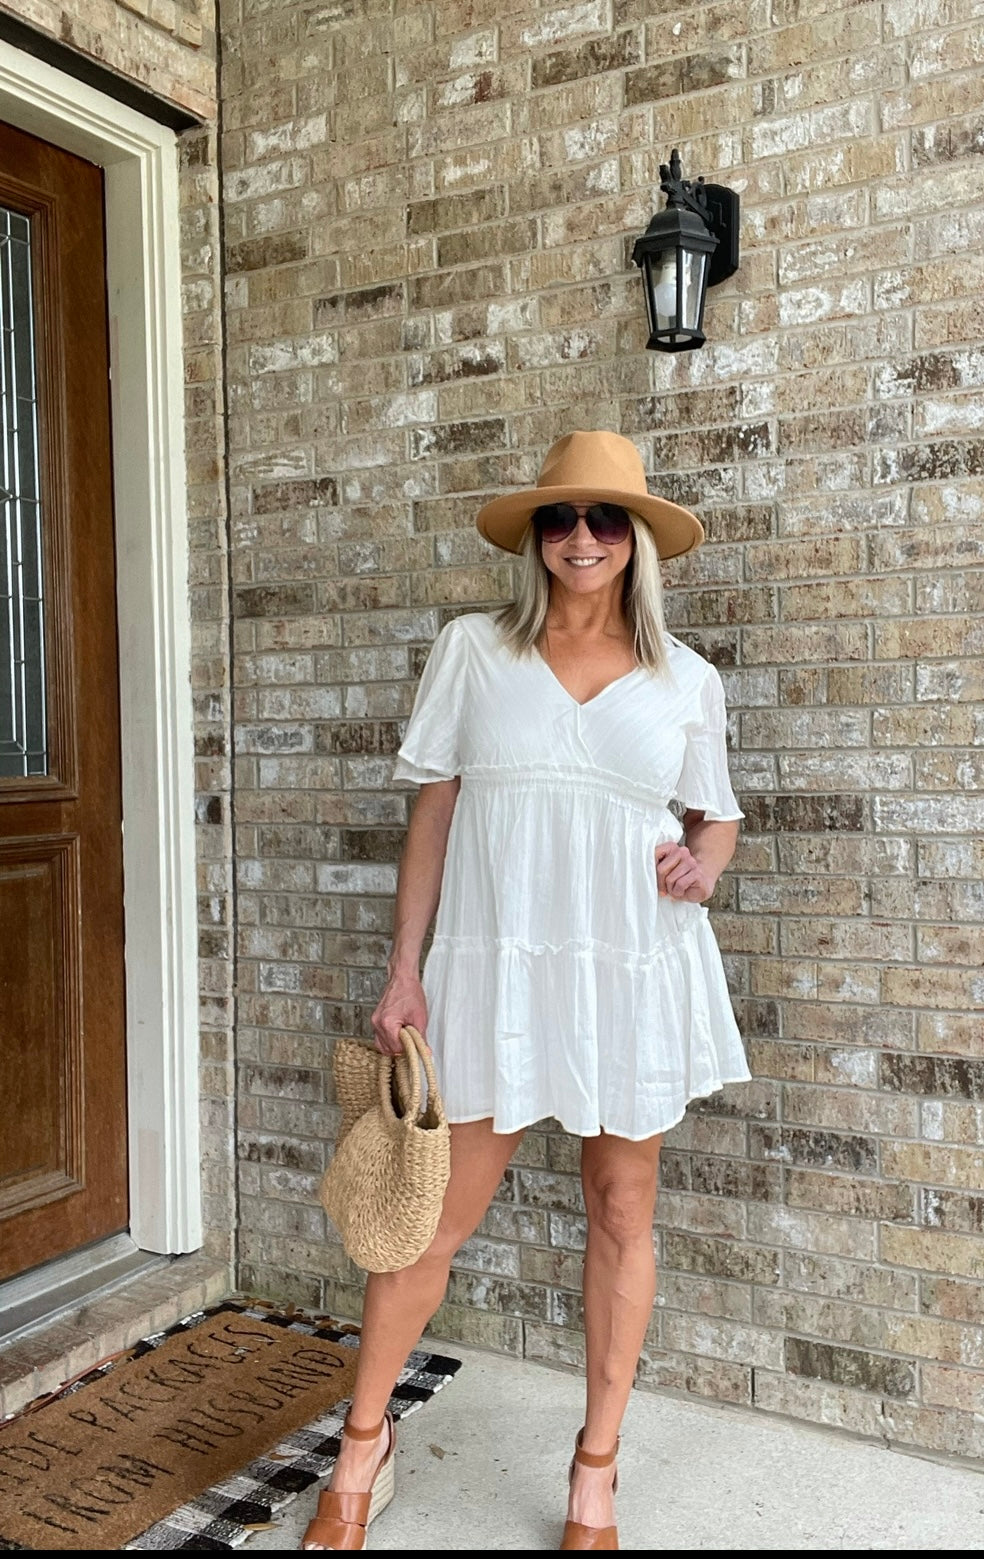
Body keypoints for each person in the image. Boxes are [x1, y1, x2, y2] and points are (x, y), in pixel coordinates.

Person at [303, 430, 750, 1552]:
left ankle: (594, 1471)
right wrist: (404, 966)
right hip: (495, 964)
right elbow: (435, 814)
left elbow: (716, 811)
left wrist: (707, 863)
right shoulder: (473, 648)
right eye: (559, 519)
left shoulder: (684, 677)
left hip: (630, 968)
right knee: (430, 1221)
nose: (580, 538)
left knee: (619, 1208)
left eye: (605, 519)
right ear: (536, 537)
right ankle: (364, 1443)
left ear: (638, 539)